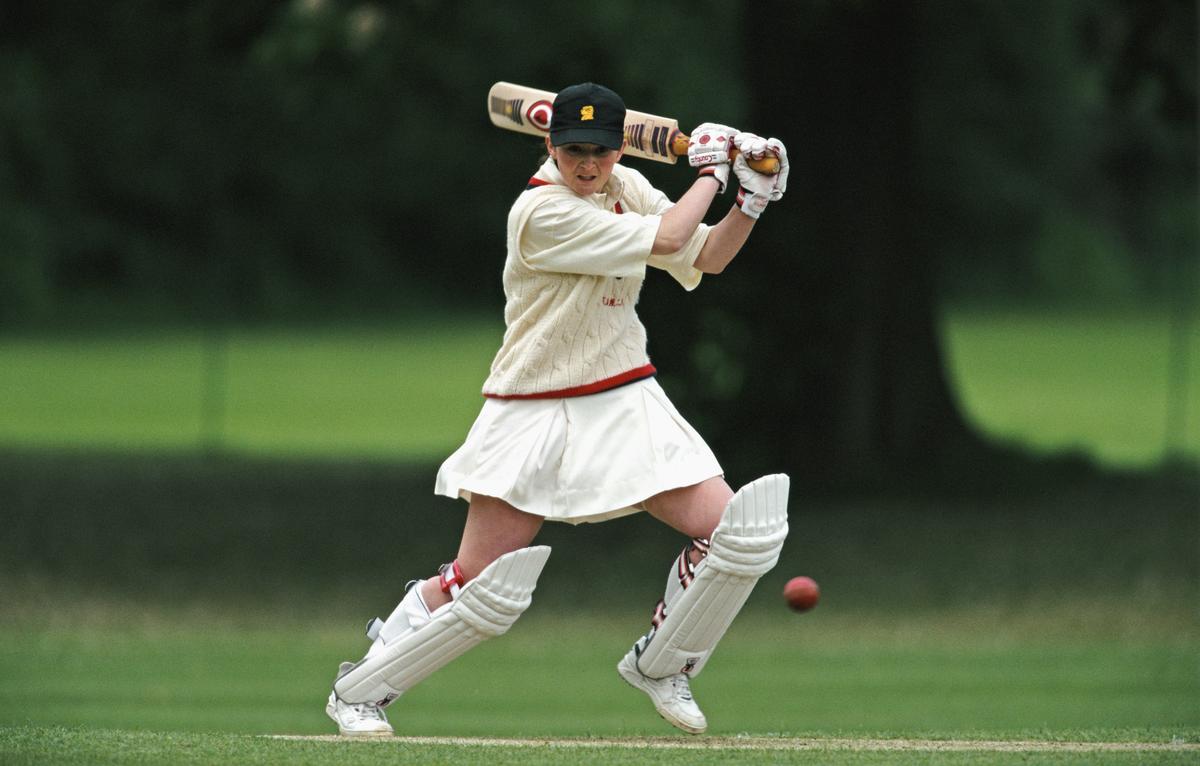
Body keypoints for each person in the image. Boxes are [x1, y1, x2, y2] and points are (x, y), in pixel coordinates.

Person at [325, 82, 791, 736]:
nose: (588, 165)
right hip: (533, 403)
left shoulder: (625, 186)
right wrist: (713, 171)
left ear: (620, 147)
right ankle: (360, 688)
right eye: (575, 150)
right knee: (482, 587)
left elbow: (706, 255)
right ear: (550, 143)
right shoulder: (540, 212)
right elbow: (667, 239)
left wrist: (751, 198)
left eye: (600, 152)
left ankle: (664, 664)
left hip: (622, 393)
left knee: (738, 532)